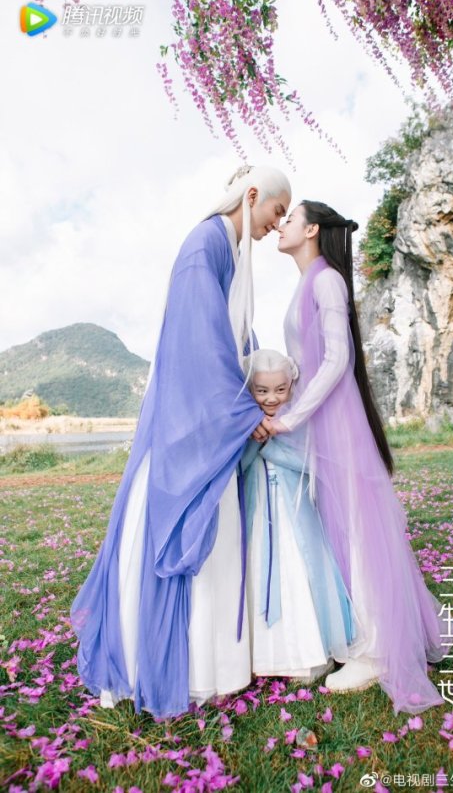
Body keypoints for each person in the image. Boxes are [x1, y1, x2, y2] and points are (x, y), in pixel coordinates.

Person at [70, 165, 291, 718]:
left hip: (207, 426)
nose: (278, 222)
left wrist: (261, 389)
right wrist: (243, 412)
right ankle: (177, 666)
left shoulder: (228, 251)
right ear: (252, 195)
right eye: (277, 210)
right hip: (190, 429)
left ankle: (214, 666)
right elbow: (201, 343)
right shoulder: (204, 244)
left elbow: (234, 338)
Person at [265, 200, 453, 715]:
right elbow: (308, 363)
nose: (280, 225)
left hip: (335, 424)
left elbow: (338, 359)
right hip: (319, 423)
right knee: (338, 528)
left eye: (290, 219)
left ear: (312, 229)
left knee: (355, 528)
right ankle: (357, 629)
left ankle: (376, 651)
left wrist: (290, 418)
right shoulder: (307, 282)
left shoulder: (327, 280)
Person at [240, 349, 355, 682]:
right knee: (258, 568)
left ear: (291, 387)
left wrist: (271, 443)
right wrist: (253, 439)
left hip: (295, 512)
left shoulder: (298, 419)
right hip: (259, 509)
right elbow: (238, 466)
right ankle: (262, 655)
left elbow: (313, 461)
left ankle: (307, 653)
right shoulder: (245, 422)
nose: (272, 398)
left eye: (280, 389)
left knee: (300, 570)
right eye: (262, 390)